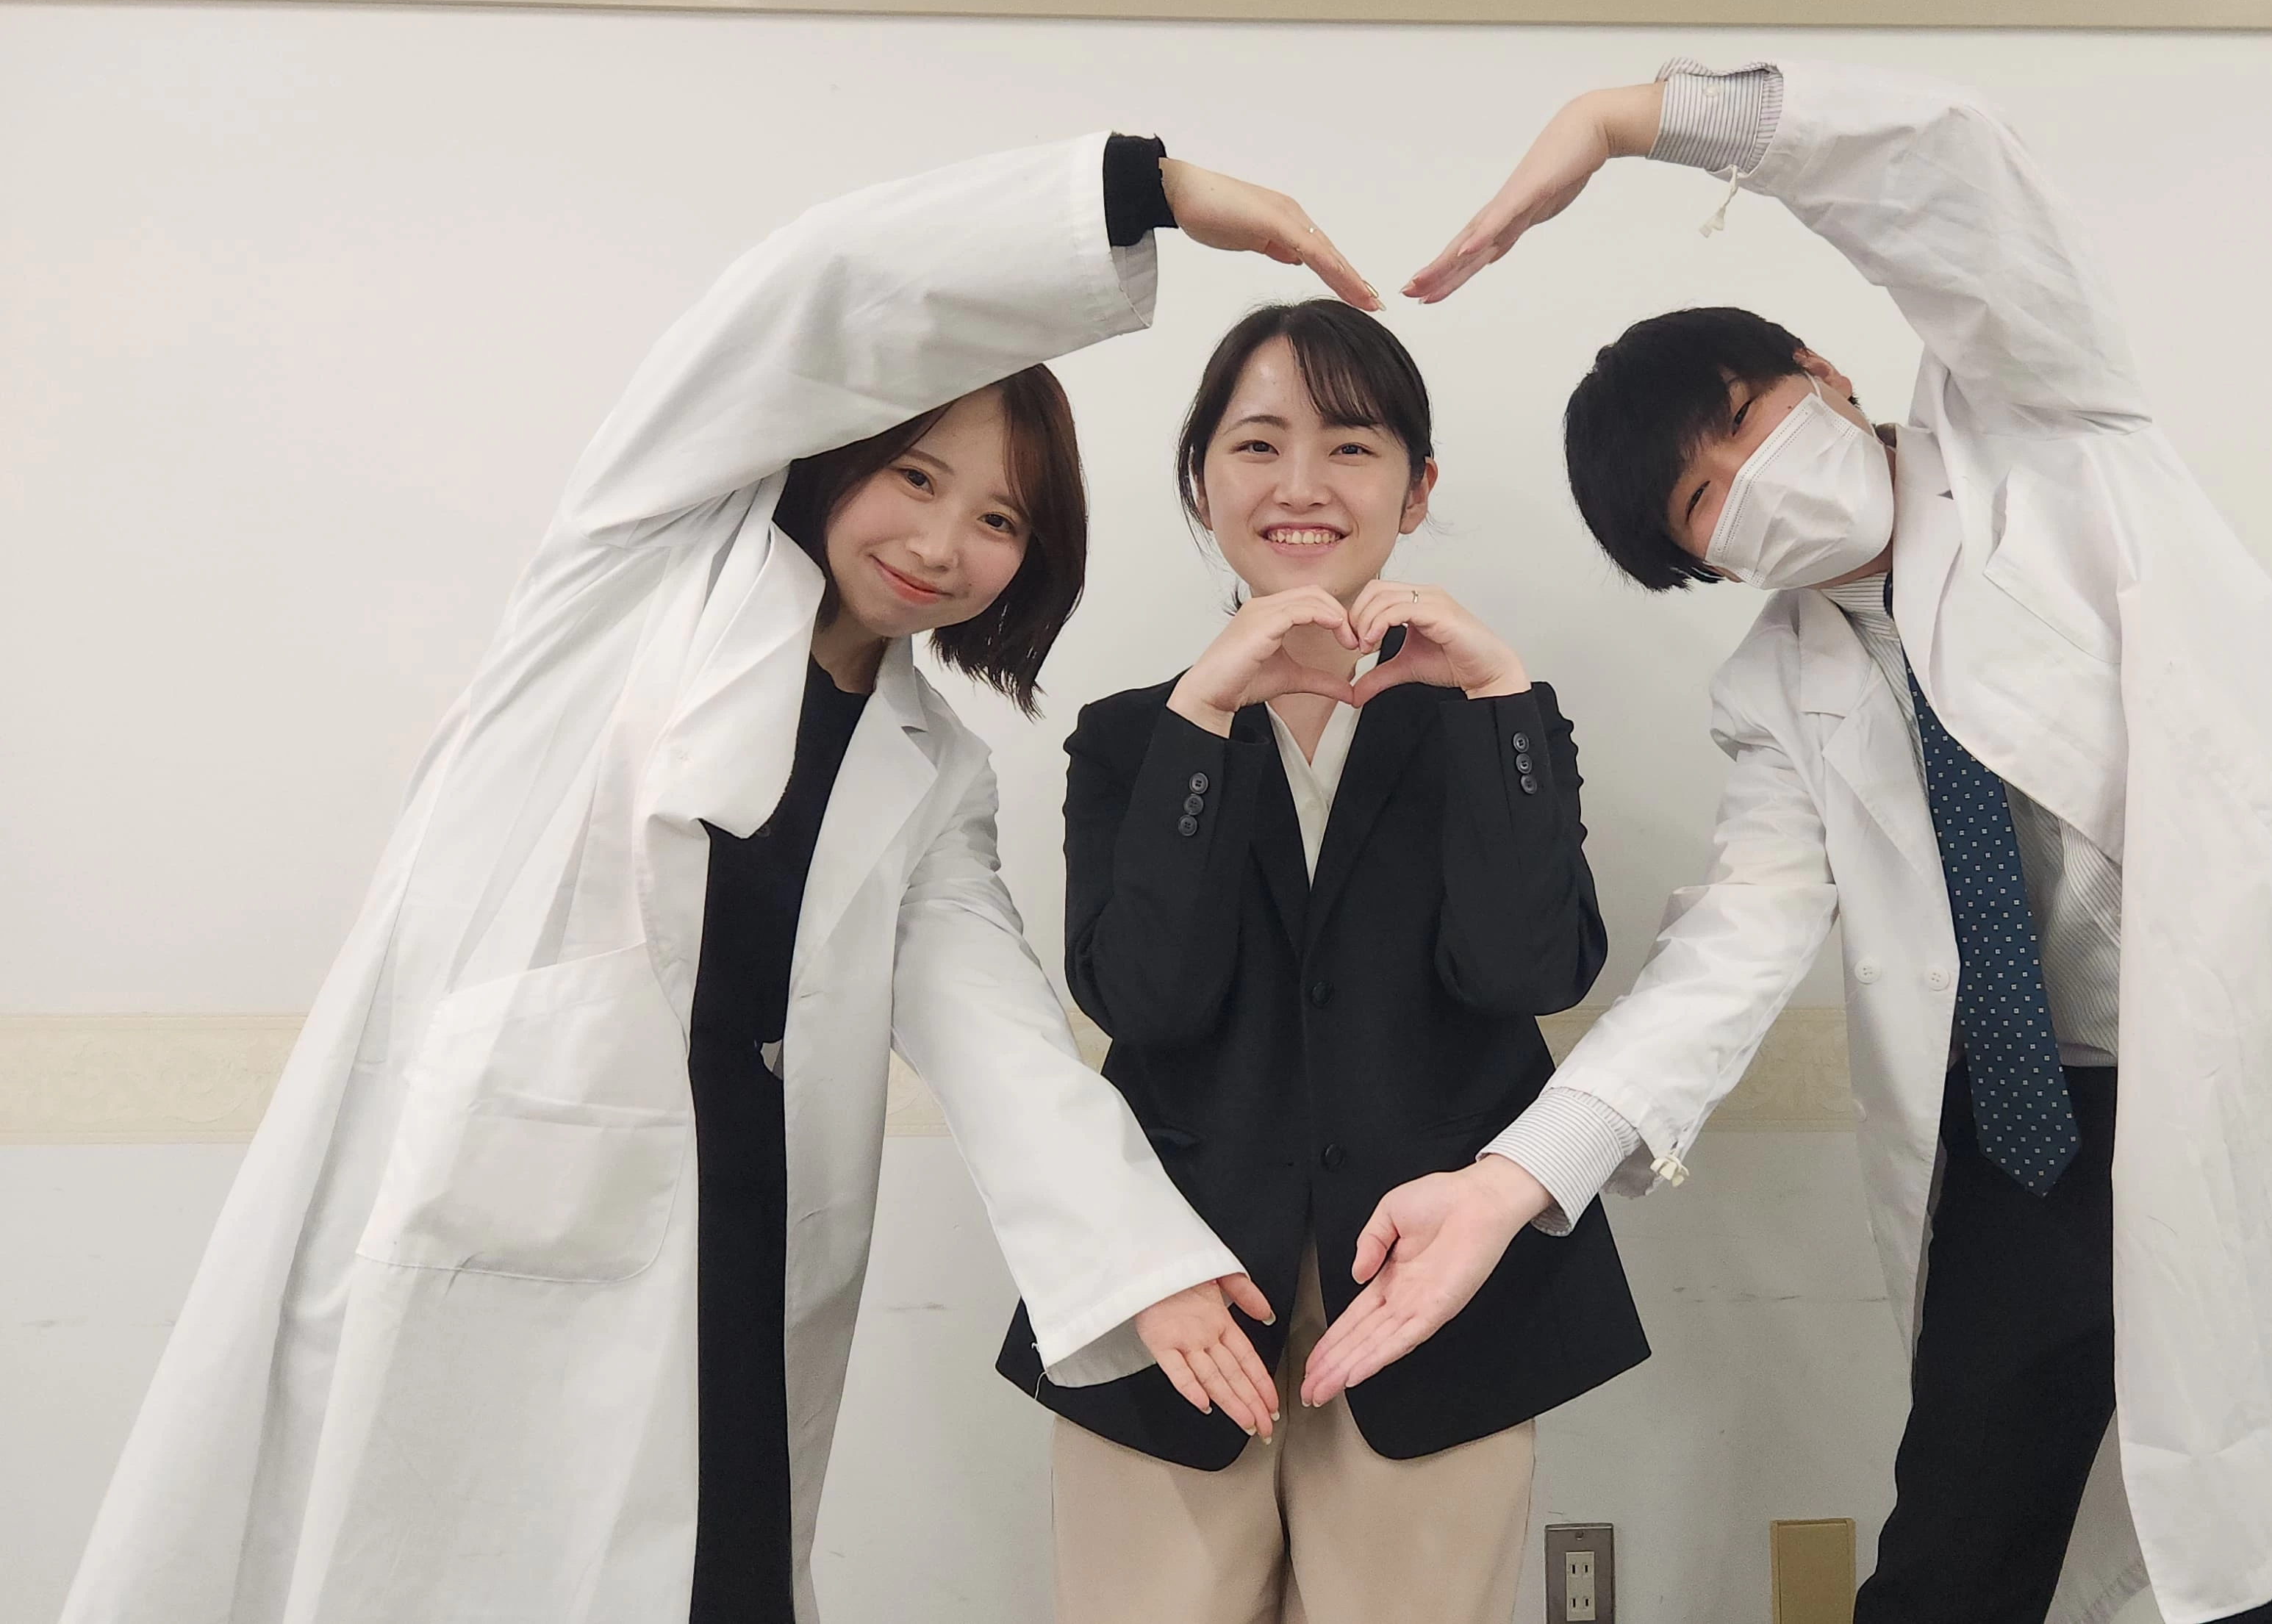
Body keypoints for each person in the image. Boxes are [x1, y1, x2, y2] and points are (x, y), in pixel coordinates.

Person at [1299, 62, 2272, 1624]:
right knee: (1953, 1555)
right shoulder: (1778, 692)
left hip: (2261, 1093)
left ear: (1824, 372)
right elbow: (1728, 955)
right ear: (1701, 566)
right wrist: (1512, 1182)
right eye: (1701, 504)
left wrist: (1639, 119)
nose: (1748, 492)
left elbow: (1960, 179)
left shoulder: (2050, 436)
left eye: (1744, 427)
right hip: (2025, 1140)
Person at [61, 132, 1377, 1624]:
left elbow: (996, 1037)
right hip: (501, 1202)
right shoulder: (635, 578)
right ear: (834, 449)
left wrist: (1136, 1259)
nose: (942, 543)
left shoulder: (930, 766)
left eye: (1000, 519)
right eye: (915, 475)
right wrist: (1147, 190)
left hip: (742, 1237)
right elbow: (800, 297)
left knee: (717, 1572)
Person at [996, 300, 1646, 1624]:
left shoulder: (1497, 719)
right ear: (1200, 482)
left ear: (1419, 488)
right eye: (1256, 445)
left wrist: (1499, 698)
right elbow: (1143, 997)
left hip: (1433, 1298)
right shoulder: (1133, 736)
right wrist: (1203, 714)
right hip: (1173, 1290)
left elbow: (1530, 971)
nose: (1301, 484)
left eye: (1351, 446)